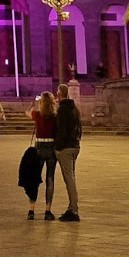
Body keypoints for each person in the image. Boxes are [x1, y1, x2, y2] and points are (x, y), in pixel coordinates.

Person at [52, 82, 82, 222]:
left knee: (69, 179)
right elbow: (79, 128)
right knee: (71, 178)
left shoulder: (62, 110)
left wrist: (58, 147)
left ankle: (73, 210)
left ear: (59, 94)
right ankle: (72, 208)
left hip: (66, 147)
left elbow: (61, 130)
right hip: (75, 145)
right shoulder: (74, 108)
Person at [30, 92, 59, 220]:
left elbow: (28, 112)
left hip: (39, 148)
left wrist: (36, 104)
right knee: (50, 178)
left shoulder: (37, 115)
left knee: (35, 178)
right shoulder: (55, 116)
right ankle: (48, 210)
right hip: (51, 148)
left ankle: (31, 210)